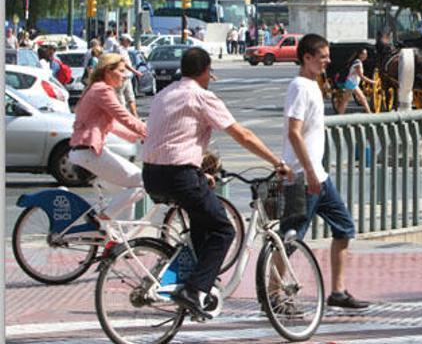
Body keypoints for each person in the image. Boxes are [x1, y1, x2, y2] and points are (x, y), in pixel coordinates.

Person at [141, 47, 291, 319]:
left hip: (152, 175)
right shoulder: (201, 96)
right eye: (210, 73)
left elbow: (172, 136)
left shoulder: (163, 94)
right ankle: (195, 290)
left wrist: (199, 173)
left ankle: (198, 282)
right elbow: (241, 134)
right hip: (179, 175)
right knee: (224, 230)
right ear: (205, 71)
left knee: (202, 224)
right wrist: (275, 162)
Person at [282, 34, 369, 309]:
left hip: (318, 176)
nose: (327, 61)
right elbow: (293, 133)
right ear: (307, 58)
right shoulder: (299, 87)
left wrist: (314, 172)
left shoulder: (312, 86)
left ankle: (338, 291)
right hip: (302, 177)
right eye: (322, 57)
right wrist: (307, 172)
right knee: (289, 238)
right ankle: (274, 294)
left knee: (344, 228)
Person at [69, 53, 148, 220]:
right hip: (89, 153)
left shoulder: (94, 88)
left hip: (82, 153)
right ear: (107, 71)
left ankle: (120, 239)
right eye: (121, 71)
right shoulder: (102, 90)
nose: (125, 75)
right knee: (143, 182)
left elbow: (113, 125)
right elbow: (123, 117)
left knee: (127, 194)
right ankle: (102, 218)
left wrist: (138, 136)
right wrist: (152, 133)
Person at [334, 48, 375, 115]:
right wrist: (372, 82)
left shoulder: (357, 62)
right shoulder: (358, 63)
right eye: (364, 54)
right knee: (346, 100)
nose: (366, 56)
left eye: (366, 54)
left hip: (352, 83)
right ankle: (340, 115)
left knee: (361, 98)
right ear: (360, 55)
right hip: (351, 83)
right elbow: (361, 76)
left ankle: (369, 113)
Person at [113, 34, 141, 116]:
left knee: (130, 98)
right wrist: (135, 71)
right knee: (121, 99)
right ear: (123, 41)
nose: (129, 43)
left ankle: (135, 117)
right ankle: (124, 118)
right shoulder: (119, 50)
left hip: (127, 77)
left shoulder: (124, 50)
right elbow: (124, 63)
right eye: (128, 41)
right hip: (121, 77)